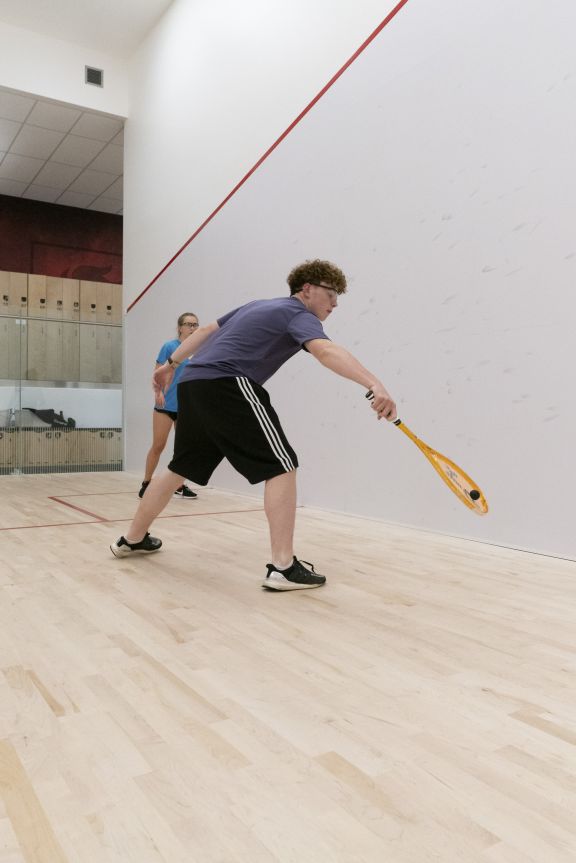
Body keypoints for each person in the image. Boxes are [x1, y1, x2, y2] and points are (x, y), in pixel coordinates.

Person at [111, 260, 397, 590]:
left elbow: (205, 332)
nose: (335, 304)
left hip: (193, 383)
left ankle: (132, 539)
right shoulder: (298, 315)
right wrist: (374, 383)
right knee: (281, 465)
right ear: (307, 289)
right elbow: (325, 350)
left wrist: (170, 364)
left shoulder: (256, 306)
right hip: (227, 383)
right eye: (331, 294)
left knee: (180, 466)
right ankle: (283, 567)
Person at [138, 312, 199, 500]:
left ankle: (179, 485)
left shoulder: (199, 349)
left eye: (196, 325)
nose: (193, 328)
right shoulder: (169, 347)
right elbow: (157, 373)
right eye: (189, 324)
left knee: (182, 449)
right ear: (180, 327)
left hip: (186, 408)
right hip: (165, 406)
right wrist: (159, 393)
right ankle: (146, 483)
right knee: (158, 445)